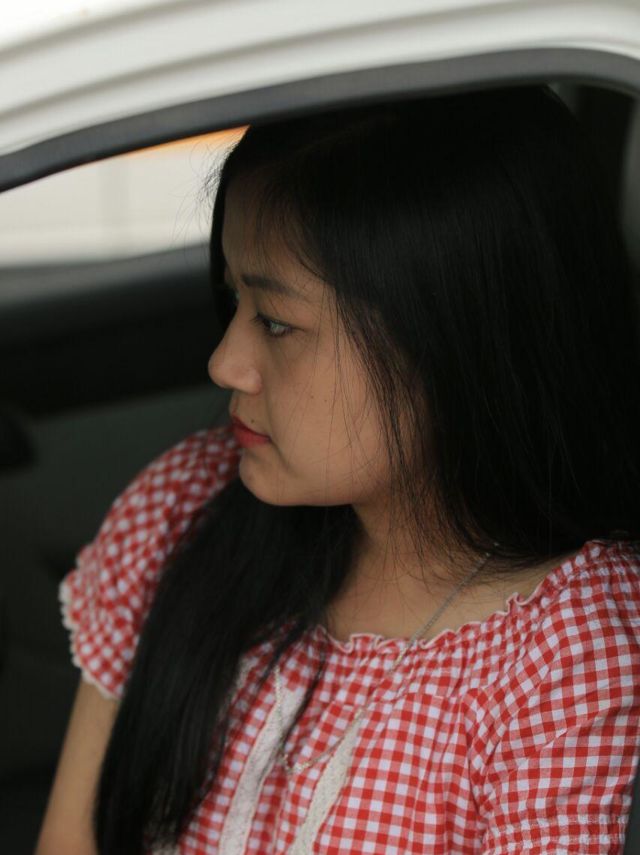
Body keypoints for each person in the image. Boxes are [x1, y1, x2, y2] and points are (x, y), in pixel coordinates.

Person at [37, 85, 640, 855]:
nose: (225, 362)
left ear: (448, 346)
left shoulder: (570, 655)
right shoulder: (185, 509)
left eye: (276, 321)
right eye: (233, 300)